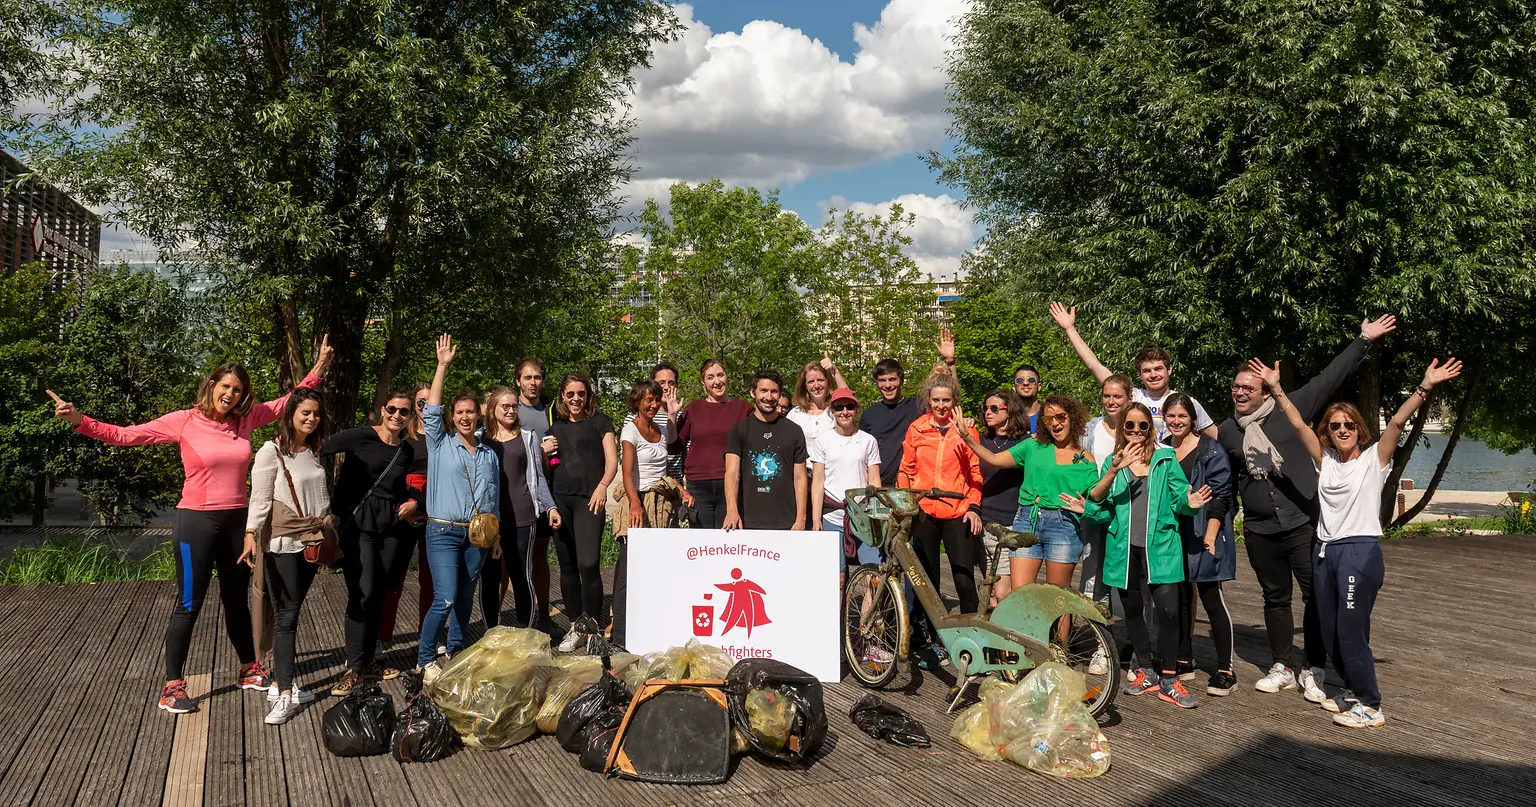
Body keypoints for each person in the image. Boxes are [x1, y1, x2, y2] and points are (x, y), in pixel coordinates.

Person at [49, 339, 332, 714]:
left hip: (236, 521)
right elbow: (128, 435)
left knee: (236, 599)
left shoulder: (245, 421)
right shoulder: (183, 420)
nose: (230, 395)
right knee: (189, 603)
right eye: (225, 387)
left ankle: (249, 669)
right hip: (195, 521)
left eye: (238, 390)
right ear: (211, 385)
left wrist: (320, 365)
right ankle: (172, 686)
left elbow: (290, 402)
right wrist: (80, 421)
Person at [1253, 354, 1461, 728]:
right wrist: (1275, 387)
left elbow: (1397, 421)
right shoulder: (1325, 460)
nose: (1343, 429)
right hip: (1324, 552)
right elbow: (1297, 422)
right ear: (1328, 432)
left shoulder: (1373, 459)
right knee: (1330, 632)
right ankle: (1351, 689)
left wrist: (1425, 386)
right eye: (1335, 425)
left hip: (1358, 552)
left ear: (1359, 429)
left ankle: (1370, 704)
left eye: (1349, 425)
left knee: (1351, 631)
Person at [1219, 315, 1397, 699]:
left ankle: (1314, 666)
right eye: (1235, 387)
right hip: (1260, 528)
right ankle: (1282, 664)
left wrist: (1363, 340)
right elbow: (1226, 480)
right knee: (1274, 597)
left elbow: (1330, 378)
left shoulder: (1289, 408)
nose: (1240, 392)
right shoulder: (1228, 431)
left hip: (1304, 522)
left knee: (1316, 595)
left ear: (1266, 391)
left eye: (1248, 386)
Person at [1079, 402, 1210, 709]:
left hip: (1161, 547)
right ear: (1122, 428)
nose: (1136, 431)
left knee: (1168, 613)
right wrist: (1112, 471)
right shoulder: (1114, 460)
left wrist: (1191, 502)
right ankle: (1147, 671)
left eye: (1142, 426)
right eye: (1130, 426)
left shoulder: (1165, 458)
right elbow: (1099, 498)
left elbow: (1181, 499)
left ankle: (1169, 678)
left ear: (1151, 429)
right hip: (1123, 549)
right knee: (1133, 612)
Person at [240, 388, 329, 724]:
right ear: (290, 412)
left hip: (312, 541)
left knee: (291, 613)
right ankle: (285, 693)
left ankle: (280, 683)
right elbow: (260, 500)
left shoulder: (311, 450)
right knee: (287, 615)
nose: (311, 418)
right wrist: (251, 534)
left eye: (316, 414)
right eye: (305, 412)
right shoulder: (271, 451)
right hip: (283, 545)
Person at [320, 390, 418, 695]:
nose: (397, 416)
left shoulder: (406, 450)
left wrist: (413, 502)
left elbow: (401, 488)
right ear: (382, 409)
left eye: (404, 412)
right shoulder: (361, 436)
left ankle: (371, 659)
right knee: (361, 594)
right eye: (392, 409)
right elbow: (318, 446)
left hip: (390, 528)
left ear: (410, 417)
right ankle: (353, 668)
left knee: (379, 593)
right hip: (358, 526)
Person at [416, 335, 500, 682]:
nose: (466, 417)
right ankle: (424, 658)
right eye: (459, 412)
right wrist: (442, 366)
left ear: (479, 414)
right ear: (452, 416)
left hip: (477, 535)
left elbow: (493, 498)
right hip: (443, 530)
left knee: (466, 598)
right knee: (446, 598)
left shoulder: (488, 453)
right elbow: (431, 411)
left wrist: (495, 538)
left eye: (471, 411)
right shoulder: (439, 443)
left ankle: (455, 651)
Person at [960, 395, 1097, 595]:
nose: (1055, 423)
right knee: (1020, 596)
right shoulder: (1033, 446)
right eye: (1049, 419)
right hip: (1027, 520)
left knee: (1057, 598)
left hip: (1063, 524)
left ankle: (1059, 628)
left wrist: (1111, 473)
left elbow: (1096, 496)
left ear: (1072, 418)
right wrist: (966, 436)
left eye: (1060, 417)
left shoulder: (1084, 458)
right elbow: (994, 459)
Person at [1049, 302, 1217, 441]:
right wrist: (1069, 329)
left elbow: (1215, 436)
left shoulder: (1186, 402)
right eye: (1147, 371)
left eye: (1158, 369)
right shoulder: (1133, 397)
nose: (1153, 375)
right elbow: (1095, 366)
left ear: (1170, 370)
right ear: (1139, 374)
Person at [1165, 393, 1239, 696]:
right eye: (1171, 416)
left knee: (1211, 599)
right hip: (1173, 533)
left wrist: (1211, 534)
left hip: (1204, 530)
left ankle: (1225, 669)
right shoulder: (1163, 449)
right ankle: (1184, 659)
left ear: (1193, 418)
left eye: (1182, 416)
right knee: (1180, 597)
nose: (1177, 421)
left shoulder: (1211, 450)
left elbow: (1222, 496)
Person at [615, 380, 696, 647]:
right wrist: (635, 504)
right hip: (638, 501)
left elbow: (665, 470)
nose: (652, 404)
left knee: (659, 568)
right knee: (629, 569)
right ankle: (622, 635)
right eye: (647, 400)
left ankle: (654, 627)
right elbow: (627, 473)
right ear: (637, 402)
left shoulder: (661, 429)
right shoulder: (630, 430)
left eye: (656, 399)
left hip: (662, 504)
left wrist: (681, 490)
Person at [899, 372, 984, 619]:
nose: (940, 405)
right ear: (928, 399)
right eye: (936, 400)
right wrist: (908, 504)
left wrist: (974, 507)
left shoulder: (966, 430)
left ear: (954, 400)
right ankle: (930, 636)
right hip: (924, 510)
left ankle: (971, 631)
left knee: (963, 578)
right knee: (928, 579)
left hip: (958, 511)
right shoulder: (917, 428)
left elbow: (976, 473)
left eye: (946, 400)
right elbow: (906, 470)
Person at [480, 386, 561, 631]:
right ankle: (490, 632)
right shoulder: (479, 438)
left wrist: (551, 508)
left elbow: (537, 476)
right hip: (490, 518)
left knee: (521, 574)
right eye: (505, 406)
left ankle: (525, 631)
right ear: (492, 410)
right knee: (490, 577)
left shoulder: (527, 436)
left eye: (514, 405)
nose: (511, 410)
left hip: (523, 515)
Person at [547, 371, 618, 649]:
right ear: (562, 397)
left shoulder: (600, 422)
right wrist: (543, 452)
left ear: (588, 394)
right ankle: (576, 625)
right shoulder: (556, 428)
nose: (576, 399)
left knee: (588, 564)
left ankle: (594, 629)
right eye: (570, 394)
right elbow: (546, 467)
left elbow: (612, 462)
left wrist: (602, 486)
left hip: (591, 499)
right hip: (561, 500)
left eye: (581, 393)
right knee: (567, 566)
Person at [859, 331, 958, 487]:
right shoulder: (869, 415)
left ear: (902, 381)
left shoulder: (918, 406)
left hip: (912, 487)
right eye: (882, 380)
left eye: (892, 379)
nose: (888, 385)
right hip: (878, 487)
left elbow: (949, 397)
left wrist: (950, 362)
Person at [377, 383, 431, 646]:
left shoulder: (441, 435)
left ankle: (427, 633)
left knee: (430, 577)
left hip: (433, 507)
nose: (425, 408)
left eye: (431, 404)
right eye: (421, 403)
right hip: (405, 507)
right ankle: (382, 635)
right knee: (393, 575)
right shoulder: (402, 436)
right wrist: (406, 506)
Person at [672, 359, 753, 529]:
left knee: (730, 540)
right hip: (698, 485)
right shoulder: (694, 408)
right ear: (703, 382)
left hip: (731, 484)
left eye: (720, 375)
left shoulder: (743, 408)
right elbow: (675, 446)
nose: (717, 382)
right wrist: (672, 418)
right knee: (703, 543)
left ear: (727, 377)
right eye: (710, 377)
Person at [723, 369, 808, 531]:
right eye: (763, 391)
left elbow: (800, 478)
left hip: (787, 521)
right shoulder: (739, 430)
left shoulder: (794, 431)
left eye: (774, 392)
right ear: (752, 393)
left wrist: (801, 518)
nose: (769, 397)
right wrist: (732, 510)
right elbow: (732, 474)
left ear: (780, 394)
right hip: (746, 521)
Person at [809, 387, 882, 571]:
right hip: (832, 516)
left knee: (873, 573)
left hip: (863, 516)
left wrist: (875, 514)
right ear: (832, 411)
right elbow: (818, 481)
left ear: (856, 410)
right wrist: (816, 519)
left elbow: (874, 478)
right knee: (836, 577)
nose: (844, 412)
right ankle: (838, 601)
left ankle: (869, 602)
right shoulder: (822, 440)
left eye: (849, 406)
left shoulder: (868, 440)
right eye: (839, 407)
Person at [511, 357, 559, 631]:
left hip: (545, 492)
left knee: (540, 553)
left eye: (537, 377)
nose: (533, 382)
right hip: (516, 493)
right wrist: (541, 451)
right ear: (518, 380)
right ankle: (501, 625)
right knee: (508, 558)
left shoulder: (551, 410)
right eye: (527, 378)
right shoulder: (509, 409)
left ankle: (543, 616)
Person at [1080, 374, 1133, 610]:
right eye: (1107, 396)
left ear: (1128, 398)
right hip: (1095, 507)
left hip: (1127, 508)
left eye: (1117, 396)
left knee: (1128, 574)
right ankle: (1097, 635)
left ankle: (1129, 637)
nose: (1111, 401)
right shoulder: (1091, 428)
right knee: (1093, 572)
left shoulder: (1137, 428)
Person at [975, 389, 1029, 605]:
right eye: (985, 408)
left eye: (995, 408)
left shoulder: (1025, 443)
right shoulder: (982, 439)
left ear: (1011, 410)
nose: (988, 412)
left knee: (1003, 591)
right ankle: (993, 637)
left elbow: (996, 461)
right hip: (982, 521)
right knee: (990, 591)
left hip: (1009, 521)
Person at [787, 353, 849, 461]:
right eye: (811, 382)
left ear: (828, 382)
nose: (816, 386)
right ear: (805, 386)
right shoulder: (795, 414)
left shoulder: (836, 411)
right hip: (803, 474)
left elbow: (847, 398)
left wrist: (835, 372)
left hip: (831, 474)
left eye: (820, 380)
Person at [631, 362, 685, 482]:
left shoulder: (682, 416)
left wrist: (672, 414)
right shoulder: (636, 416)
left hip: (674, 489)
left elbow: (679, 451)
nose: (666, 387)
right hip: (644, 486)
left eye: (671, 383)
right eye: (661, 383)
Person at [1010, 364, 1044, 431]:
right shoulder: (1008, 417)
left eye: (1031, 380)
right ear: (1014, 387)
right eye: (1020, 380)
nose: (1025, 383)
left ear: (1039, 386)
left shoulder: (1048, 415)